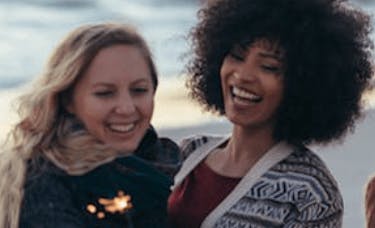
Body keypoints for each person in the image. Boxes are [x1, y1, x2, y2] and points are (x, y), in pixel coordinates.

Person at [168, 0, 373, 227]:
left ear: (302, 83)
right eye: (236, 56)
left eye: (269, 67)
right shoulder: (187, 153)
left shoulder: (310, 191)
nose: (244, 75)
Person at [0, 23, 181, 228]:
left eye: (139, 90)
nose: (127, 108)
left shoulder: (167, 161)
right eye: (105, 93)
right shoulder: (45, 181)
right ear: (67, 100)